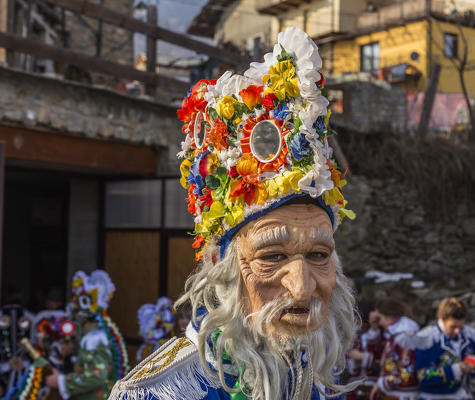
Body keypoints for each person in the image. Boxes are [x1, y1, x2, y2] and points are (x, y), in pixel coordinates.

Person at [109, 26, 358, 400]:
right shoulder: (161, 394)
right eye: (272, 256)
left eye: (318, 255)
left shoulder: (317, 380)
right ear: (219, 265)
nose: (303, 287)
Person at [45, 270, 129, 400]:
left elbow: (97, 375)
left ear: (83, 319)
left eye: (76, 318)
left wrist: (62, 382)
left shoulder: (93, 339)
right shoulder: (97, 336)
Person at [416, 297, 475, 399]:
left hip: (463, 395)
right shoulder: (427, 338)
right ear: (442, 320)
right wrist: (455, 370)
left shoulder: (470, 335)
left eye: (461, 326)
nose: (457, 331)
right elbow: (422, 375)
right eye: (453, 327)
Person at [367, 297, 420, 400]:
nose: (380, 323)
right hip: (395, 394)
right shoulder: (394, 335)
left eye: (380, 318)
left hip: (403, 395)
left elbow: (407, 374)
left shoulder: (405, 337)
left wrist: (381, 384)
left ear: (389, 316)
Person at [346, 304, 384, 400]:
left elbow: (384, 362)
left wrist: (365, 357)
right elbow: (347, 363)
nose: (358, 325)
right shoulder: (357, 338)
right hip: (354, 387)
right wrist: (354, 360)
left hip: (374, 387)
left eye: (358, 322)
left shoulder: (382, 336)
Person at [136, 297, 175, 363]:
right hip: (153, 347)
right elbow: (147, 333)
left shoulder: (167, 314)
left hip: (163, 345)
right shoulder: (155, 316)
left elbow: (168, 326)